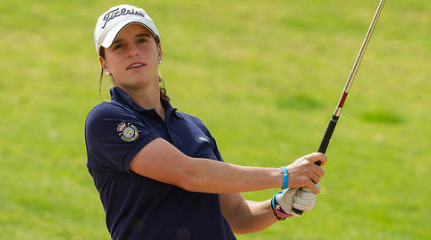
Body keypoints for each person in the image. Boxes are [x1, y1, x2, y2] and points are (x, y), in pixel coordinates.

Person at [85, 4, 327, 240]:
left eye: (141, 40)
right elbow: (189, 174)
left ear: (159, 50)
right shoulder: (106, 120)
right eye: (119, 46)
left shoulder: (193, 127)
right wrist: (285, 175)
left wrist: (280, 205)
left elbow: (237, 215)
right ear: (104, 64)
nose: (133, 51)